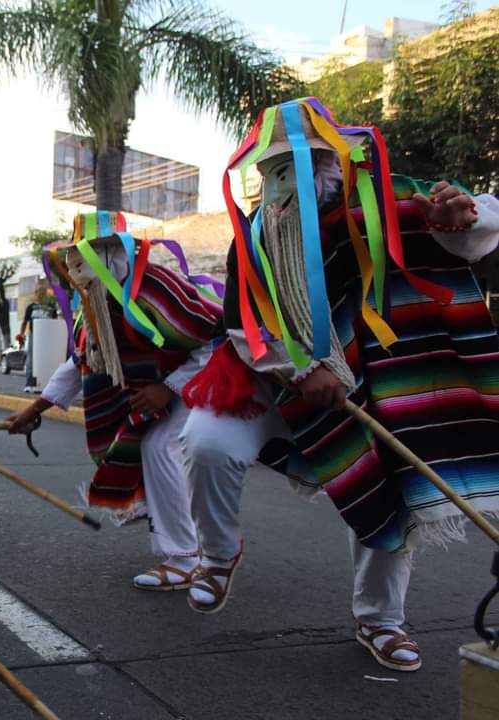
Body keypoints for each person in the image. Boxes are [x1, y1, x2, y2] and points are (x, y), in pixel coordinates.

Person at [180, 97, 499, 672]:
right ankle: (217, 555)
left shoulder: (397, 203)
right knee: (205, 440)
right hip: (280, 383)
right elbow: (242, 322)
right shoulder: (253, 236)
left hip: (382, 380)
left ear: (339, 155)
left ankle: (380, 618)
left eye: (308, 158)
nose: (292, 175)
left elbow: (467, 233)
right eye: (276, 166)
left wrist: (470, 215)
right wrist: (301, 369)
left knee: (392, 486)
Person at [8, 211, 222, 589]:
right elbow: (80, 362)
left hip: (203, 379)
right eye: (74, 257)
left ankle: (185, 558)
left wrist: (166, 389)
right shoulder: (92, 305)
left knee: (158, 448)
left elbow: (210, 344)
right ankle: (193, 542)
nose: (76, 266)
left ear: (114, 253)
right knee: (150, 451)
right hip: (161, 391)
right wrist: (33, 409)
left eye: (87, 254)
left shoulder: (156, 287)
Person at [16, 283, 52, 392]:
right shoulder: (31, 307)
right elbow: (25, 322)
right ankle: (29, 384)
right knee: (31, 360)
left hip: (47, 337)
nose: (40, 293)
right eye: (38, 291)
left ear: (45, 293)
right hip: (33, 335)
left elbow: (55, 322)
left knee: (46, 359)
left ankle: (45, 384)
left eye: (42, 291)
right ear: (35, 293)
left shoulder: (51, 308)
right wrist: (21, 334)